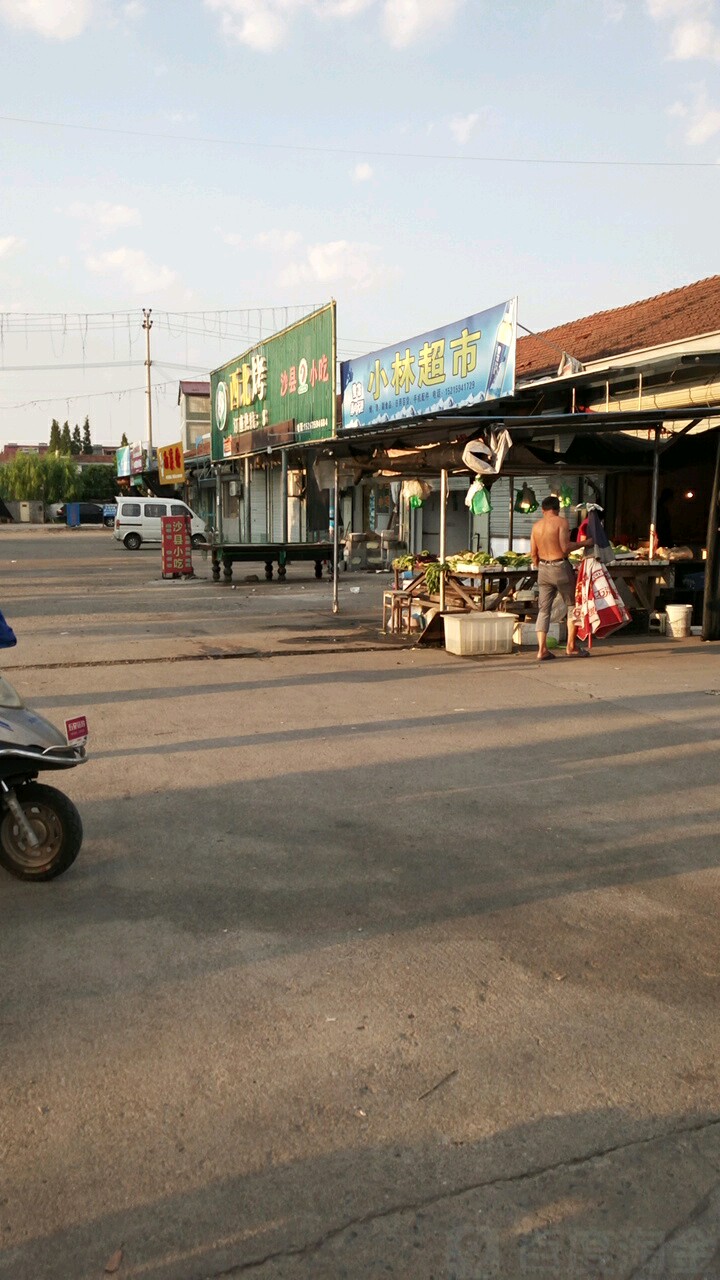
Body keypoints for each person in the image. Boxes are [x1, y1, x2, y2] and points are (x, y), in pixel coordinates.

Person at [530, 496, 591, 661]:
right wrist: (585, 544)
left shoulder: (536, 527)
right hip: (560, 567)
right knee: (572, 605)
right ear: (557, 508)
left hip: (543, 568)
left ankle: (542, 649)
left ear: (543, 510)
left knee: (544, 610)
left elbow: (533, 554)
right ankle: (571, 646)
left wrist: (541, 565)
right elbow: (565, 547)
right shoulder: (562, 522)